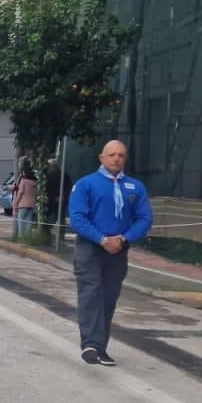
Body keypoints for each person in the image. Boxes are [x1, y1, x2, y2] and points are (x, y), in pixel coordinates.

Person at [70, 140, 152, 366]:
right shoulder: (86, 184)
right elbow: (77, 218)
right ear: (101, 158)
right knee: (91, 294)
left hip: (118, 249)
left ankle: (101, 347)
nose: (117, 158)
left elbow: (145, 218)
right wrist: (102, 239)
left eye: (121, 155)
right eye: (112, 154)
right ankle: (90, 344)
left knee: (108, 298)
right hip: (90, 247)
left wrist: (125, 238)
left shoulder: (135, 187)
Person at [12, 165, 38, 237]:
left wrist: (16, 203)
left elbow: (20, 193)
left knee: (21, 222)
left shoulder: (23, 181)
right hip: (32, 204)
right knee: (29, 222)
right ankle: (28, 237)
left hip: (23, 204)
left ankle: (21, 237)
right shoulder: (34, 182)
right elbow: (37, 193)